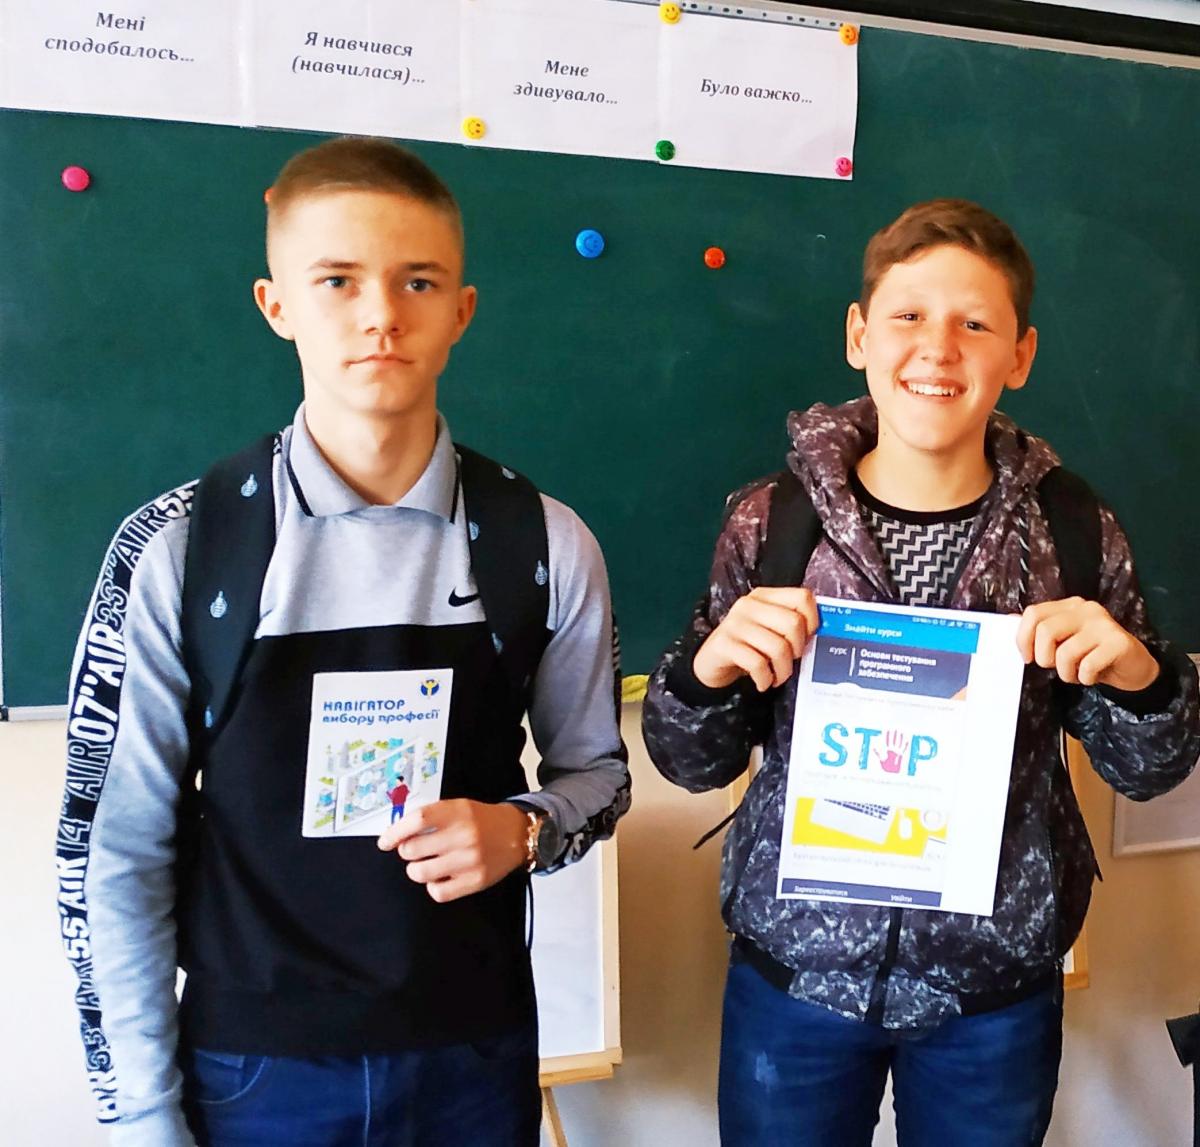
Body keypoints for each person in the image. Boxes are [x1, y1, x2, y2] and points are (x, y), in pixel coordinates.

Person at [57, 136, 630, 1147]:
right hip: (254, 1073)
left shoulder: (546, 543)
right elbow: (111, 852)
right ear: (276, 303)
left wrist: (525, 830)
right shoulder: (182, 549)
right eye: (337, 280)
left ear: (462, 310)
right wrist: (141, 1117)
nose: (381, 315)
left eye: (419, 281)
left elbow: (600, 775)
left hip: (475, 1060)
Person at [641, 198, 1200, 1146]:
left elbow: (1148, 769)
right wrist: (705, 674)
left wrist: (1142, 678)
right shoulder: (773, 521)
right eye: (908, 315)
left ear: (1020, 355)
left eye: (975, 323)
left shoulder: (1071, 528)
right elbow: (689, 759)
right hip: (798, 980)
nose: (938, 347)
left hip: (994, 992)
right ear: (859, 335)